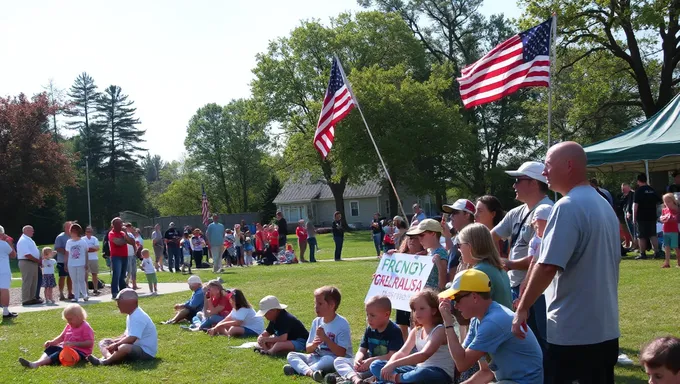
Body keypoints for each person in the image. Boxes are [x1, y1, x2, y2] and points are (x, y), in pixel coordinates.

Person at [514, 142, 620, 384]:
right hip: (604, 327)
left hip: (574, 332)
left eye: (548, 165)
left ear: (569, 165)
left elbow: (549, 265)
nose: (544, 172)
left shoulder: (568, 206)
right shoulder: (603, 204)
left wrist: (522, 308)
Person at [491, 161, 553, 353]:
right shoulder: (516, 212)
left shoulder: (547, 211)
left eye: (518, 180)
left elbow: (541, 254)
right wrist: (498, 259)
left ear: (534, 183)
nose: (514, 185)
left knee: (544, 336)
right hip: (516, 284)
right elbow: (492, 235)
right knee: (525, 336)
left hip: (540, 286)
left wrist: (509, 263)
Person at [439, 269, 543, 383]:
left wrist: (448, 323)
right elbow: (485, 372)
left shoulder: (492, 322)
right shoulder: (478, 319)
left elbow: (462, 363)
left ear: (474, 297)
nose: (455, 306)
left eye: (457, 299)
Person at [369, 290, 455, 384]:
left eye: (422, 308)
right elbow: (402, 352)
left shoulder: (439, 330)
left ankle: (395, 380)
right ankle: (398, 380)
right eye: (414, 309)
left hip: (439, 374)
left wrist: (394, 364)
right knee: (376, 365)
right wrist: (389, 364)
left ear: (434, 311)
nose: (417, 313)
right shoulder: (416, 331)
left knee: (422, 374)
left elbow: (423, 355)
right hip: (417, 371)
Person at [327, 295, 404, 384]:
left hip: (382, 365)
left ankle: (352, 378)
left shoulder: (394, 331)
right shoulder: (370, 329)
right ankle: (356, 379)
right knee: (339, 361)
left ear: (386, 315)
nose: (368, 319)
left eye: (372, 315)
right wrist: (358, 360)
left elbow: (392, 356)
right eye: (367, 314)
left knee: (377, 369)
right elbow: (362, 349)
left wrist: (371, 361)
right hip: (367, 364)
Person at [285, 286, 352, 381]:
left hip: (334, 359)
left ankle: (299, 369)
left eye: (320, 303)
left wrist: (325, 338)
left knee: (328, 359)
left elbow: (341, 353)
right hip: (316, 357)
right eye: (315, 303)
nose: (316, 306)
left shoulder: (342, 323)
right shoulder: (316, 321)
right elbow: (308, 349)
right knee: (291, 355)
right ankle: (311, 373)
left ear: (332, 305)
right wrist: (314, 344)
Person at [88, 289, 157, 366]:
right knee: (104, 342)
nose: (117, 305)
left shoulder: (138, 316)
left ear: (130, 303)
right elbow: (126, 335)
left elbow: (131, 339)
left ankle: (104, 362)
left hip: (145, 352)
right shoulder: (131, 315)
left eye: (119, 302)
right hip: (134, 346)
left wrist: (116, 345)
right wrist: (114, 341)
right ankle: (110, 357)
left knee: (124, 347)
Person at [455, 223, 513, 309]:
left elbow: (464, 308)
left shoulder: (478, 272)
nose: (458, 249)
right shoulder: (499, 268)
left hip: (491, 321)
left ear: (470, 246)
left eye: (459, 245)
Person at [19, 304, 94, 368]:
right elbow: (61, 337)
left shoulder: (85, 327)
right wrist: (52, 342)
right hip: (65, 348)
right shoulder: (69, 326)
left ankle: (36, 364)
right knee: (52, 348)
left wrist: (74, 344)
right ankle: (39, 361)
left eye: (70, 319)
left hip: (79, 353)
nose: (68, 322)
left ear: (79, 317)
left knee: (60, 353)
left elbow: (89, 343)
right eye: (67, 320)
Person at [387, 233, 428, 342]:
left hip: (418, 295)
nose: (412, 241)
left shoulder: (426, 257)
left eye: (415, 239)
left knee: (417, 322)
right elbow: (391, 275)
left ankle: (417, 344)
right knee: (402, 322)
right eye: (410, 238)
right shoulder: (399, 256)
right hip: (402, 295)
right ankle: (406, 345)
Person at [405, 219, 448, 292]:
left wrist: (439, 265)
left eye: (421, 235)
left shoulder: (441, 252)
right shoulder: (429, 251)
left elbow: (443, 281)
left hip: (433, 296)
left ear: (433, 234)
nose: (419, 239)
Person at [442, 199, 476, 274]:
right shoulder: (458, 236)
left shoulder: (474, 237)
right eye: (451, 213)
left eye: (455, 213)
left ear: (467, 215)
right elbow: (452, 257)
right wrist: (447, 234)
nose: (451, 216)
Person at [634, 173, 663, 259]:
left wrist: (634, 217)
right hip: (652, 216)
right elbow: (659, 202)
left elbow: (635, 206)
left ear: (638, 181)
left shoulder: (638, 191)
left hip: (641, 217)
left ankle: (643, 254)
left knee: (641, 236)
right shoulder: (652, 190)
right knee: (653, 235)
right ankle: (657, 252)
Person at [108, 217, 135, 299]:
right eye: (119, 223)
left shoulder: (123, 233)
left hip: (124, 256)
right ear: (114, 225)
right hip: (116, 257)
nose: (121, 225)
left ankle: (122, 291)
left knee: (123, 275)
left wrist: (125, 234)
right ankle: (114, 292)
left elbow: (132, 242)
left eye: (121, 223)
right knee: (117, 274)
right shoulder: (111, 233)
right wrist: (125, 240)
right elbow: (118, 242)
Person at [17, 225, 42, 305]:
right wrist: (37, 260)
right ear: (26, 231)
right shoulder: (23, 240)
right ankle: (26, 299)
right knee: (27, 281)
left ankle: (32, 297)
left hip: (32, 262)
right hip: (26, 262)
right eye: (31, 230)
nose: (33, 232)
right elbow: (26, 254)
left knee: (34, 281)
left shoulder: (29, 240)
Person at [65, 223, 89, 303]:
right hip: (71, 264)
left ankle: (85, 294)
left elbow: (86, 253)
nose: (72, 233)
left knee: (81, 280)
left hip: (81, 263)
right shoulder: (69, 242)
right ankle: (76, 296)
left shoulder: (83, 242)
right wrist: (66, 264)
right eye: (71, 231)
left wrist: (86, 263)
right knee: (74, 280)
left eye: (74, 231)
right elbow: (67, 253)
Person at [0, 225, 17, 318]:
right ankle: (5, 311)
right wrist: (9, 242)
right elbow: (13, 255)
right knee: (4, 289)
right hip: (3, 269)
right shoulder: (3, 244)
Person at [54, 221, 74, 301]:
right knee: (62, 277)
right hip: (62, 260)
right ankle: (61, 293)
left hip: (72, 261)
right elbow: (58, 248)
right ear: (65, 227)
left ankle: (70, 292)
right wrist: (67, 252)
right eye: (69, 226)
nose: (70, 228)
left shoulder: (73, 236)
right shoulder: (60, 237)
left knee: (70, 277)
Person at [660, 193, 680, 268]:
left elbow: (676, 219)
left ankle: (679, 261)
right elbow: (661, 218)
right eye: (665, 202)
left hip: (673, 230)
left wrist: (670, 219)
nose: (667, 203)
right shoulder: (664, 210)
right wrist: (662, 219)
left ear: (673, 201)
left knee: (675, 246)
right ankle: (667, 263)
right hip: (665, 230)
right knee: (666, 247)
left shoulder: (676, 209)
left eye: (669, 201)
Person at [83, 226, 100, 296]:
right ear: (85, 232)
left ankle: (95, 288)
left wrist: (89, 249)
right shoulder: (83, 239)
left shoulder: (94, 239)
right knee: (85, 275)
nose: (89, 233)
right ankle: (86, 290)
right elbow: (84, 249)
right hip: (85, 259)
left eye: (90, 231)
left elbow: (97, 248)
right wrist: (92, 248)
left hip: (94, 258)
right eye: (87, 231)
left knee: (94, 274)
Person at [620, 183, 637, 250]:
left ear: (629, 188)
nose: (623, 190)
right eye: (622, 189)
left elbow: (631, 204)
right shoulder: (624, 196)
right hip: (625, 213)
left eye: (624, 189)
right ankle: (634, 244)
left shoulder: (632, 194)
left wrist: (629, 211)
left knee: (633, 230)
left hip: (630, 214)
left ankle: (635, 245)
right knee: (630, 231)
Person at [124, 224, 139, 290]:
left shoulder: (131, 234)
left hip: (132, 254)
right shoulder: (123, 235)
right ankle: (126, 284)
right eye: (128, 227)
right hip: (127, 255)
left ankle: (134, 285)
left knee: (134, 270)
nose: (130, 228)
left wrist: (135, 251)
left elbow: (134, 243)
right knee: (128, 270)